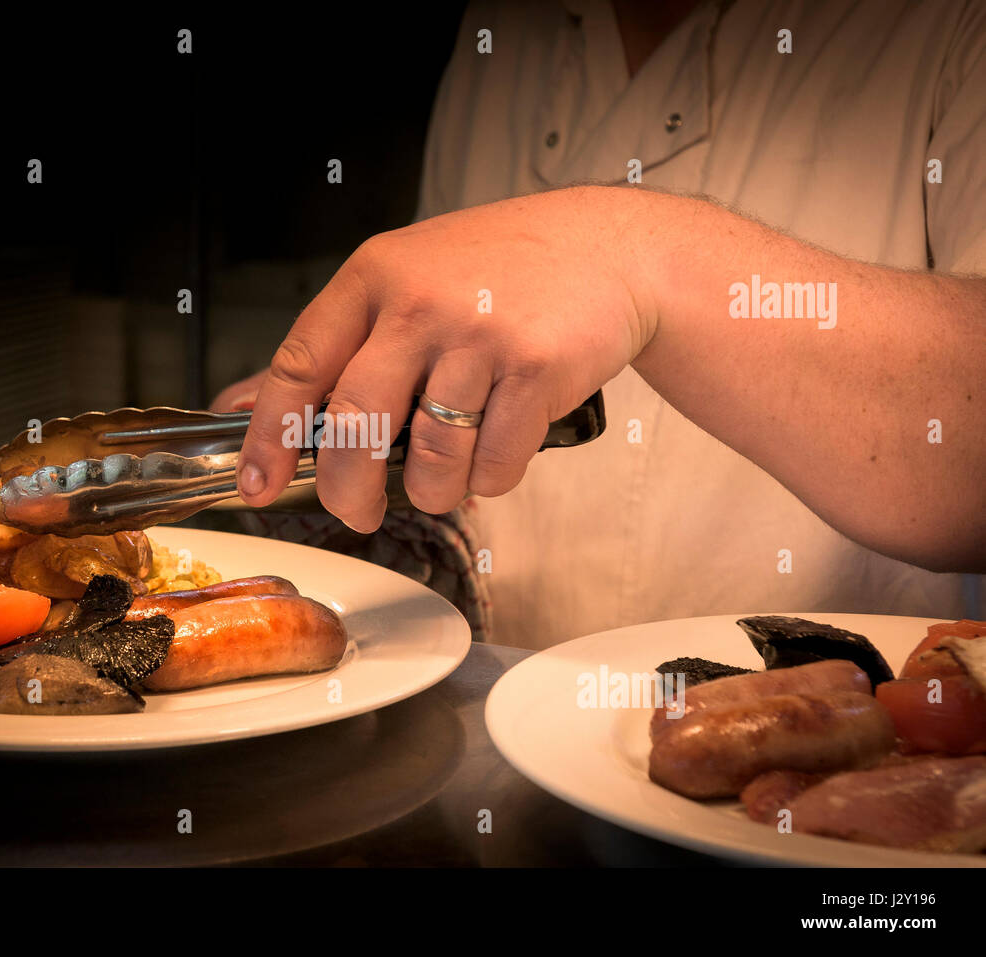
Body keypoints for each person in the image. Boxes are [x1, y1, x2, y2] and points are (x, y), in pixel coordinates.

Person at [212, 0, 986, 649]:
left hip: (839, 793)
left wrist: (633, 258)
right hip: (487, 767)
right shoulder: (503, 29)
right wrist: (371, 433)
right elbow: (461, 394)